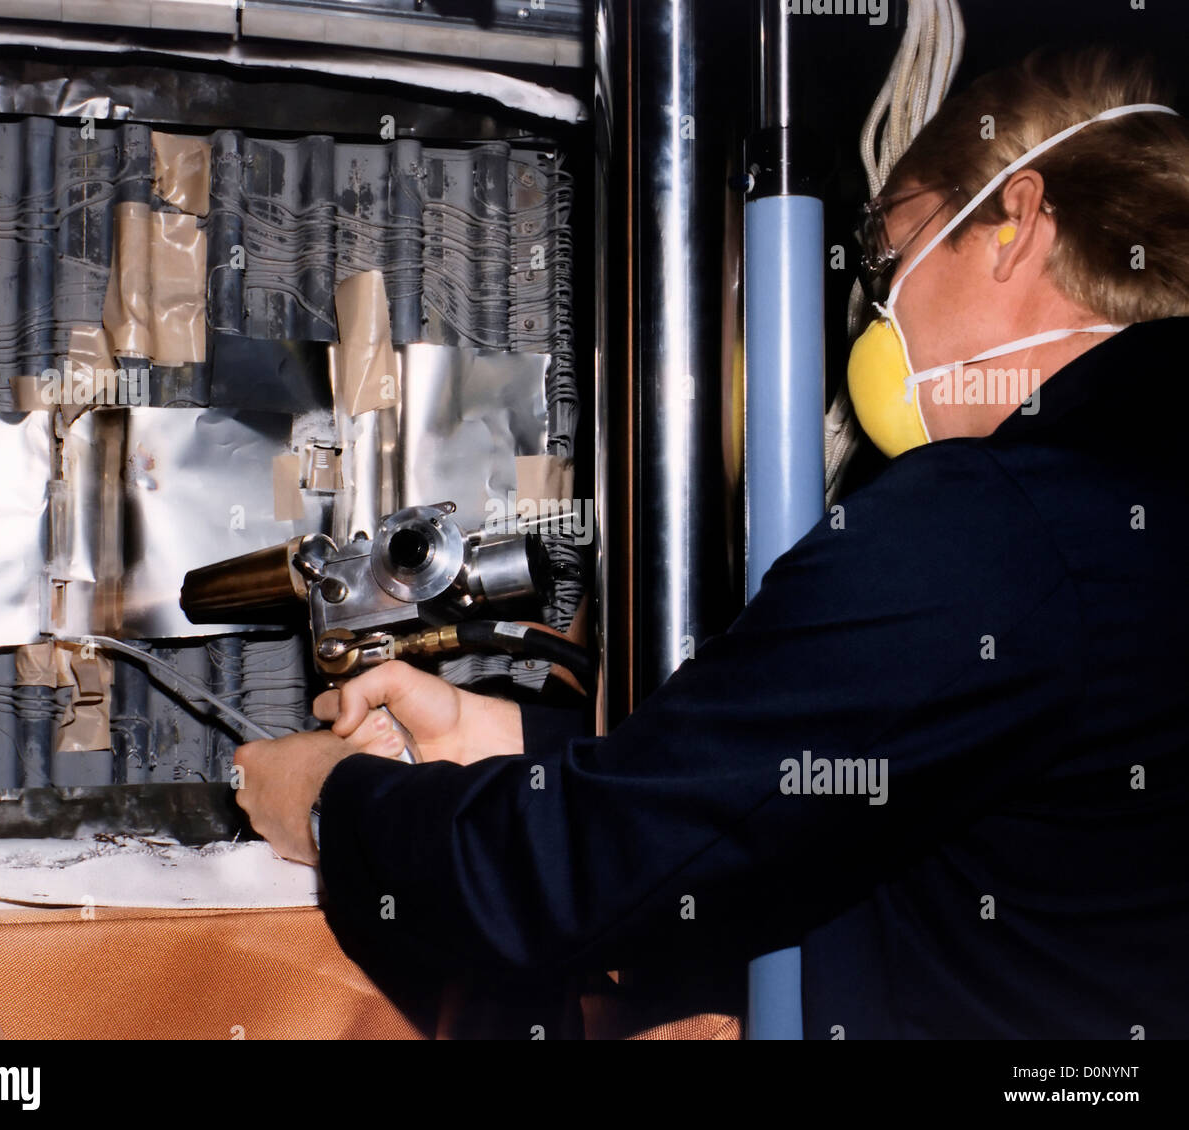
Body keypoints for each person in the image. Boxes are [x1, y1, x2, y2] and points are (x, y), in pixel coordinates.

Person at [233, 47, 1189, 1038]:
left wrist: (330, 807)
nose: (880, 313)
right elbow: (854, 781)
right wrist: (504, 736)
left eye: (889, 261)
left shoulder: (995, 521)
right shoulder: (1126, 502)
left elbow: (571, 878)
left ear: (1011, 222)